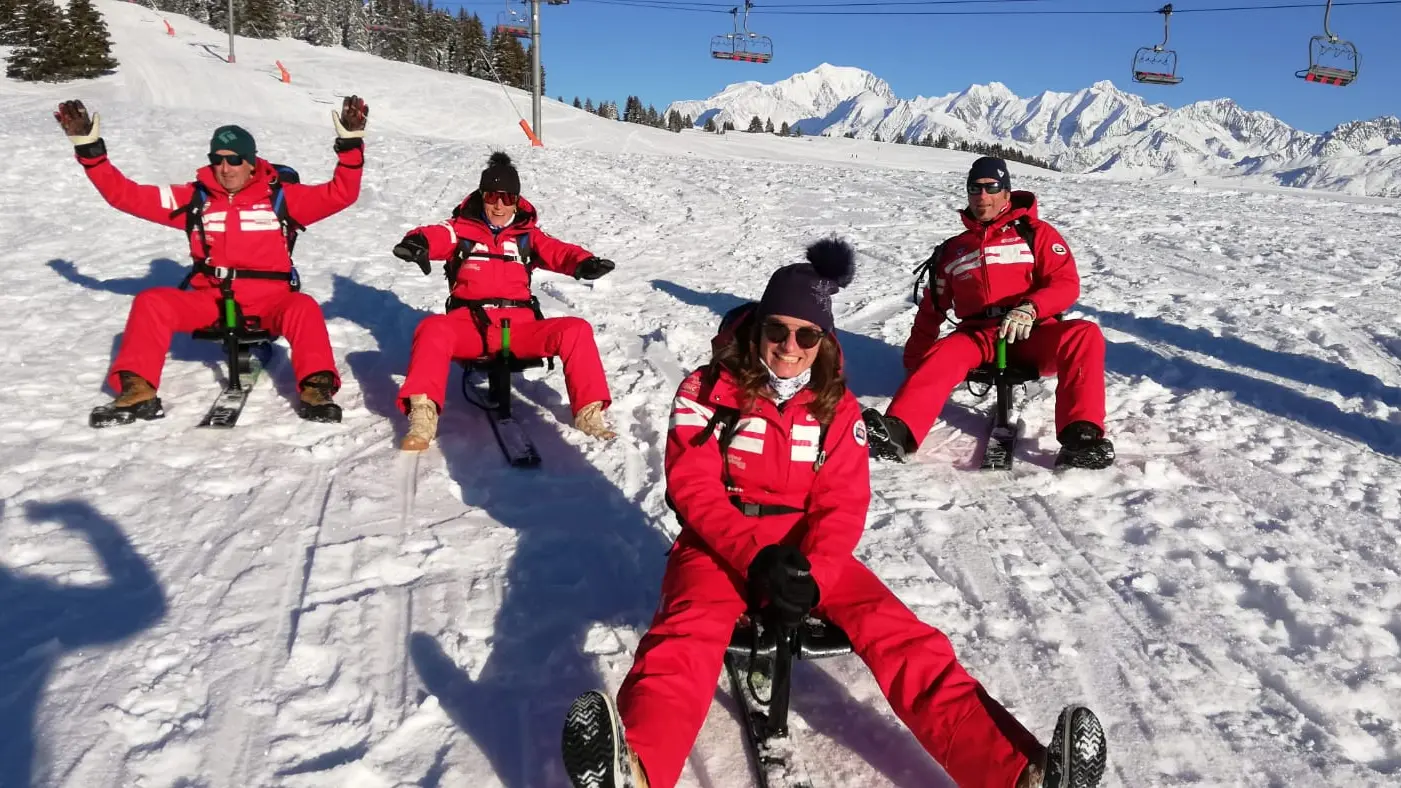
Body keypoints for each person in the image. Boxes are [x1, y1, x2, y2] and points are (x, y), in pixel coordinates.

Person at [558, 239, 1107, 788]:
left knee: (906, 640)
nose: (789, 346)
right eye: (777, 329)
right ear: (758, 328)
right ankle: (637, 770)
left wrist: (811, 572)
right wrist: (756, 560)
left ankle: (1019, 774)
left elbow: (843, 503)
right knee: (685, 636)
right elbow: (693, 488)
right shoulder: (704, 391)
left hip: (810, 549)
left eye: (806, 335)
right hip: (718, 546)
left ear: (822, 342)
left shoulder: (837, 408)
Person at [55, 96, 369, 425]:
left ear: (251, 162)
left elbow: (341, 193)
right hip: (212, 301)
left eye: (234, 160)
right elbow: (125, 195)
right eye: (217, 159)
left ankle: (316, 389)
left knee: (303, 307)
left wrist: (350, 144)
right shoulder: (194, 198)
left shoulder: (282, 199)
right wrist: (89, 150)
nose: (225, 168)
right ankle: (138, 390)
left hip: (271, 302)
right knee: (152, 302)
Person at [862, 156, 1115, 469]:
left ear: (1006, 193)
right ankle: (899, 430)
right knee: (944, 352)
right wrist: (915, 367)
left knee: (1084, 335)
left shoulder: (1036, 234)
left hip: (1031, 333)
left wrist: (1032, 307)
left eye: (991, 187)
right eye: (975, 189)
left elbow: (1065, 283)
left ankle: (1082, 437)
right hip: (978, 337)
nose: (982, 196)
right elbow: (931, 312)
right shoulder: (953, 250)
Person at [390, 152, 618, 451]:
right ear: (482, 195)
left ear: (516, 199)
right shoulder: (460, 230)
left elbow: (559, 251)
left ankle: (590, 413)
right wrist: (417, 243)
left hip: (518, 329)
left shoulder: (527, 236)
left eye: (508, 197)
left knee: (575, 329)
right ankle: (423, 416)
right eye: (493, 196)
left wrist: (584, 263)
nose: (499, 205)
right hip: (470, 327)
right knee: (432, 328)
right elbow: (434, 235)